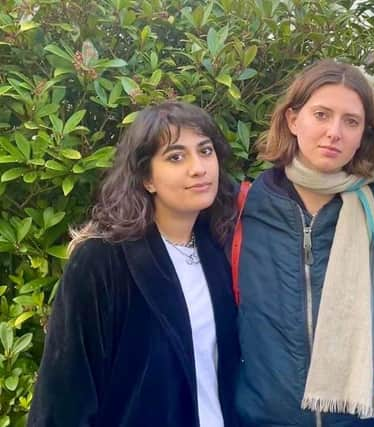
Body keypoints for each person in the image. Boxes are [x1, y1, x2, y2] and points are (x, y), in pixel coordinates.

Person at [28, 101, 240, 427]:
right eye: (176, 157)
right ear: (146, 178)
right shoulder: (102, 261)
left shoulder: (219, 248)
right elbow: (65, 394)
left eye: (206, 151)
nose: (199, 168)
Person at [234, 59, 374, 426]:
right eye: (322, 114)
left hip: (368, 420)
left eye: (351, 121)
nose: (334, 132)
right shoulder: (244, 208)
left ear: (365, 133)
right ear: (293, 119)